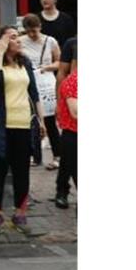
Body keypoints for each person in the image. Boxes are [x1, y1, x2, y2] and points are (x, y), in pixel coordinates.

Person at [0, 26, 44, 236]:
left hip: (23, 124)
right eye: (13, 37)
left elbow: (33, 93)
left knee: (21, 171)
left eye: (18, 36)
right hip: (0, 126)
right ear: (1, 42)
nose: (19, 40)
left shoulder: (25, 62)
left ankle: (20, 213)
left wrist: (41, 121)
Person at [19, 13, 62, 169]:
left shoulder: (50, 41)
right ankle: (36, 156)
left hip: (46, 82)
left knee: (50, 121)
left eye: (35, 31)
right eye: (29, 31)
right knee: (32, 120)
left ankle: (57, 155)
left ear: (40, 27)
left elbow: (60, 62)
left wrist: (47, 67)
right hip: (28, 82)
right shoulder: (20, 42)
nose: (32, 35)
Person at [53, 41, 77, 209]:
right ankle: (62, 191)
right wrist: (58, 100)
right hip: (72, 127)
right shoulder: (72, 44)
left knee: (68, 160)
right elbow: (62, 72)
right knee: (69, 160)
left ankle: (62, 190)